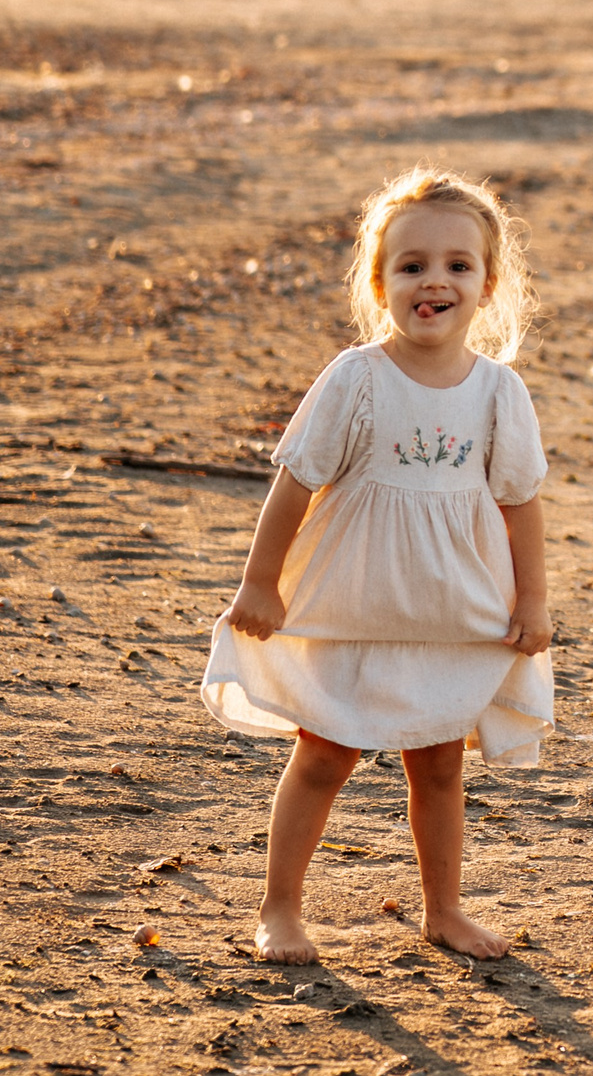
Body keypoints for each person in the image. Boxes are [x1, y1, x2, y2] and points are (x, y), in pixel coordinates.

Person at [203, 168, 552, 964]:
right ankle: (280, 909)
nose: (436, 281)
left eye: (459, 266)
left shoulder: (500, 392)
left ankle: (445, 911)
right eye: (413, 265)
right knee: (323, 756)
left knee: (437, 768)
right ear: (380, 281)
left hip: (450, 612)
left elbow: (521, 503)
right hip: (355, 603)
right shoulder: (357, 378)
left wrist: (533, 601)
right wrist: (260, 583)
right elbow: (294, 485)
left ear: (488, 285)